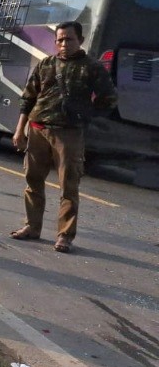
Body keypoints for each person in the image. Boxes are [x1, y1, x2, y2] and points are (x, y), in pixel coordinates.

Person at [9, 21, 117, 253]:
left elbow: (109, 99)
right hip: (38, 129)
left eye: (69, 39)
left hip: (68, 134)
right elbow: (28, 98)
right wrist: (20, 130)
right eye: (59, 40)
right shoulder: (46, 64)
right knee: (33, 181)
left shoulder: (92, 68)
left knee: (68, 186)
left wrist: (86, 115)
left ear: (80, 40)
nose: (63, 44)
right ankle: (32, 226)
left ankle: (65, 236)